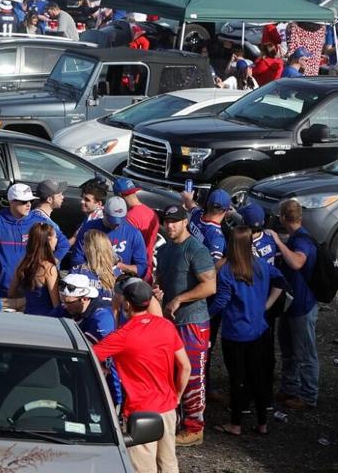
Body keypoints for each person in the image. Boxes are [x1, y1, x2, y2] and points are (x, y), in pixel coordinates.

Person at [92, 278, 189, 473]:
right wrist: (176, 397)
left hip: (140, 412)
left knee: (142, 468)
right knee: (169, 464)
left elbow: (89, 356)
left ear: (127, 303)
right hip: (168, 407)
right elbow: (185, 367)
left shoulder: (122, 335)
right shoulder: (166, 326)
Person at [210, 226, 285, 437]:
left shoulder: (227, 271)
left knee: (237, 378)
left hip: (235, 333)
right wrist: (266, 304)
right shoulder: (261, 265)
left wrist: (206, 314)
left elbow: (222, 301)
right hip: (259, 330)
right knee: (258, 377)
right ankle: (263, 422)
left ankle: (236, 423)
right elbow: (281, 281)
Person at [154, 203, 216, 447]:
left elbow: (210, 286)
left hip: (193, 322)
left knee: (193, 375)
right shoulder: (167, 248)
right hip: (170, 322)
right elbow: (163, 277)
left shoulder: (197, 250)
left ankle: (194, 427)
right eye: (167, 222)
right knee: (171, 373)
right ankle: (174, 421)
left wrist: (180, 298)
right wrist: (158, 288)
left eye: (175, 222)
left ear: (186, 221)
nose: (170, 226)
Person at [269, 198, 320, 410]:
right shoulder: (297, 237)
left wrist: (278, 242)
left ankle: (308, 396)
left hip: (302, 307)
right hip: (292, 306)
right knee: (288, 348)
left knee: (305, 352)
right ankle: (290, 387)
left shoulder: (302, 241)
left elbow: (298, 262)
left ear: (283, 218)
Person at [64, 197, 148, 278]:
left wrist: (121, 267)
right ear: (104, 213)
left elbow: (141, 268)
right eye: (113, 221)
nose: (116, 224)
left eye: (120, 220)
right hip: (92, 280)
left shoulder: (133, 233)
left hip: (119, 283)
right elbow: (77, 260)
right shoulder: (88, 228)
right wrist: (97, 270)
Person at [10, 222, 61, 316]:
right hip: (46, 318)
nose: (57, 240)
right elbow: (56, 304)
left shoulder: (23, 263)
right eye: (55, 237)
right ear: (48, 240)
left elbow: (11, 292)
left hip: (29, 315)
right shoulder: (48, 268)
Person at [114, 177, 160, 281]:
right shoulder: (151, 212)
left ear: (120, 196)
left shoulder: (130, 217)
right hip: (147, 266)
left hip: (134, 270)